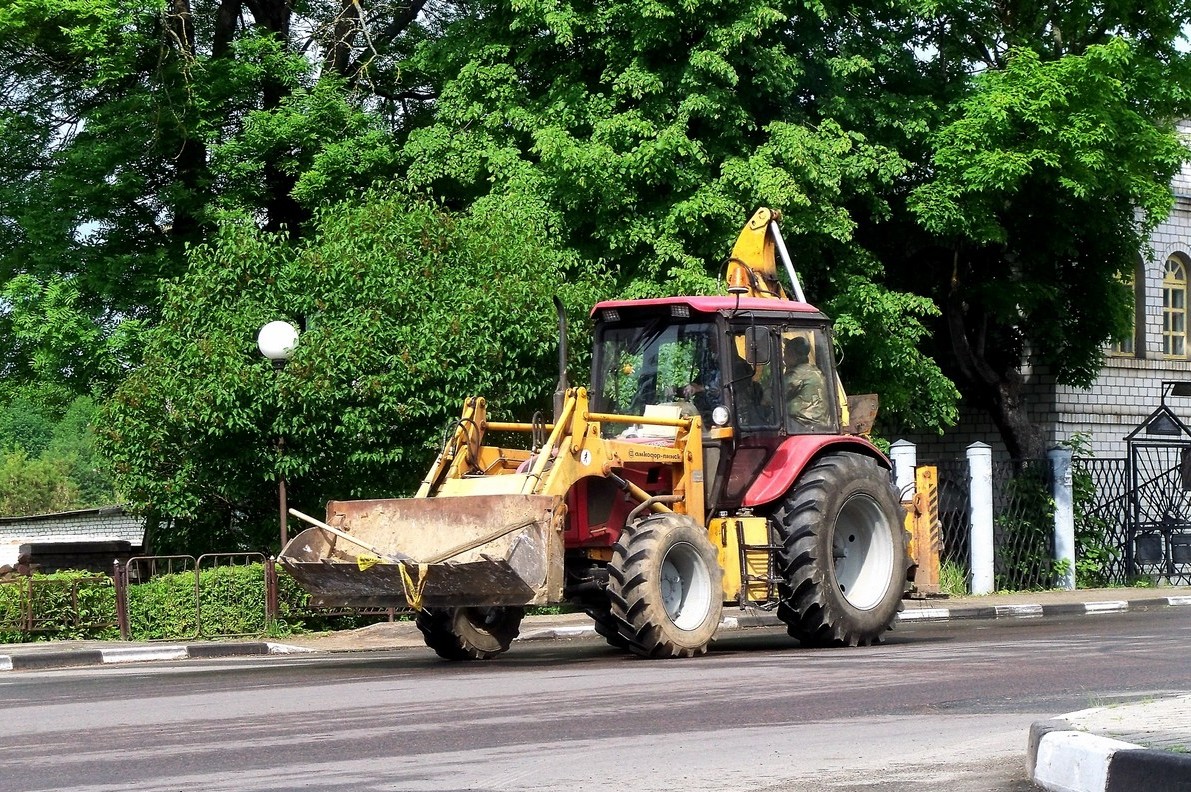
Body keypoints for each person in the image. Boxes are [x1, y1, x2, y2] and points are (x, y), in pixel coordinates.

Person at [785, 335, 828, 427]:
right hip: (818, 422)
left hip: (802, 423)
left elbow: (776, 395)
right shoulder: (814, 370)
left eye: (786, 354)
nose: (784, 359)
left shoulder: (797, 373)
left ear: (793, 355)